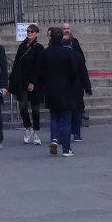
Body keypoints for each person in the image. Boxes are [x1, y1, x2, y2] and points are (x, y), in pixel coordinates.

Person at [34, 27, 90, 157]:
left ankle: (54, 138)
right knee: (66, 118)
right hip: (66, 89)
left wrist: (44, 84)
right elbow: (74, 72)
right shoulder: (68, 53)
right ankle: (66, 148)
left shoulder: (45, 53)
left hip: (50, 89)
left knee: (54, 116)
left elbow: (39, 71)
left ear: (51, 38)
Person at [9, 24, 45, 145]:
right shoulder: (22, 46)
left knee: (35, 108)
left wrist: (33, 82)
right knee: (23, 106)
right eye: (28, 31)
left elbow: (39, 66)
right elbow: (16, 63)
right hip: (21, 80)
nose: (30, 33)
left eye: (32, 31)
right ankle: (27, 127)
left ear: (37, 33)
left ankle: (35, 131)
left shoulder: (39, 48)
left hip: (34, 82)